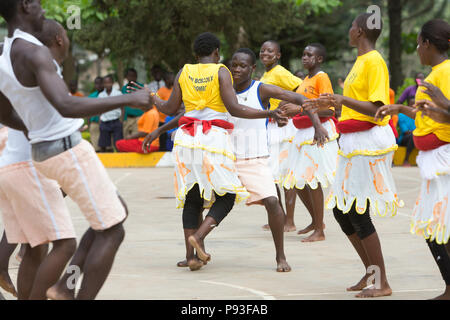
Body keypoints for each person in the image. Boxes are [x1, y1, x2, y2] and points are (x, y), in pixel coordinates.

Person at [0, 1, 152, 300]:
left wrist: (33, 128)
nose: (43, 9)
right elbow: (67, 105)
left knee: (112, 216)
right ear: (25, 5)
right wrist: (126, 99)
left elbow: (3, 112)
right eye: (39, 3)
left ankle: (64, 287)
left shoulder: (6, 53)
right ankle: (67, 292)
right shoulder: (33, 51)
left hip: (45, 154)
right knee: (112, 230)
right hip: (67, 151)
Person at [139, 32, 291, 271]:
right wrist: (268, 113)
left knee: (193, 197)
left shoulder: (184, 71)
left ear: (195, 53)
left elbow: (169, 107)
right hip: (212, 139)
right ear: (217, 52)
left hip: (186, 141)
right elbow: (234, 108)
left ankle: (191, 257)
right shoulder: (221, 71)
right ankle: (199, 238)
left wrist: (151, 97)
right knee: (228, 194)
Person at [310, 13, 402, 298]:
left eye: (351, 26)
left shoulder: (373, 60)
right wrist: (325, 105)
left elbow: (377, 108)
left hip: (366, 143)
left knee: (358, 212)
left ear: (360, 31)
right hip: (352, 142)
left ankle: (382, 282)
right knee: (342, 211)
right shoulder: (360, 62)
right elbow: (350, 107)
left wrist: (342, 100)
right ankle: (371, 272)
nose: (349, 30)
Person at [0, 18, 78, 301]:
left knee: (35, 246)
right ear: (58, 39)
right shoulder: (39, 66)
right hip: (28, 164)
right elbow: (65, 109)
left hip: (17, 161)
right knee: (65, 244)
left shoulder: (16, 60)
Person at [375, 19, 450, 300]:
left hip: (444, 160)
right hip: (431, 161)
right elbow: (427, 114)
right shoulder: (434, 74)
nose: (418, 49)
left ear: (428, 44)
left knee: (443, 227)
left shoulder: (447, 72)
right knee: (433, 227)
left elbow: (442, 111)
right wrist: (400, 108)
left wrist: (443, 103)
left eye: (419, 44)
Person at [280, 43, 339, 242]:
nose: (304, 58)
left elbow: (329, 110)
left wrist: (298, 110)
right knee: (297, 180)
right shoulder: (305, 80)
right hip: (302, 133)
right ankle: (316, 221)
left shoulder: (321, 77)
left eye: (309, 55)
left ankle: (319, 231)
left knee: (312, 181)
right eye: (303, 54)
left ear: (319, 59)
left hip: (316, 132)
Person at [259, 40, 303, 232]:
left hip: (284, 128)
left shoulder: (280, 72)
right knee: (272, 174)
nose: (265, 53)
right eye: (262, 51)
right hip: (272, 126)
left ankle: (290, 221)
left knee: (285, 174)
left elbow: (301, 88)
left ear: (278, 55)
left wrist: (285, 107)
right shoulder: (267, 73)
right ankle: (279, 216)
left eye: (270, 51)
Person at [98, 75, 124, 152]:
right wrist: (100, 121)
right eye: (105, 83)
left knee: (118, 143)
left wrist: (121, 120)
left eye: (109, 82)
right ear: (103, 84)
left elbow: (122, 107)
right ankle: (105, 161)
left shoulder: (118, 93)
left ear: (112, 83)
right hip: (105, 121)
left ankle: (120, 160)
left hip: (116, 121)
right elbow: (99, 109)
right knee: (104, 144)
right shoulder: (101, 95)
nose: (107, 85)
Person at [122, 68, 145, 138]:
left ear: (136, 76)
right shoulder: (124, 88)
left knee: (136, 138)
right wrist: (123, 118)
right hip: (127, 118)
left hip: (138, 118)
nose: (131, 78)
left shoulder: (140, 87)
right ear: (126, 77)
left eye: (133, 76)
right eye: (129, 76)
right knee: (126, 138)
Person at [156, 72, 175, 151]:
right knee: (163, 141)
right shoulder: (160, 91)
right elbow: (156, 105)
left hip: (172, 119)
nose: (173, 79)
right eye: (172, 78)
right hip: (162, 121)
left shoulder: (175, 89)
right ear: (166, 80)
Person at [87, 76, 104, 152]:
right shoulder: (91, 96)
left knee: (106, 147)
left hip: (106, 124)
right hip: (94, 124)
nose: (98, 86)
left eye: (100, 83)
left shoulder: (108, 95)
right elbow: (88, 111)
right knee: (96, 147)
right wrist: (89, 124)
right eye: (96, 84)